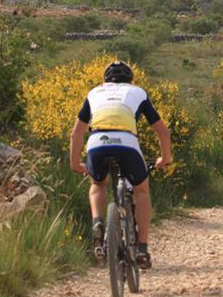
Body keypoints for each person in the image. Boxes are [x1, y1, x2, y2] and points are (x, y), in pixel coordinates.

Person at [69, 61, 173, 269]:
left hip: (97, 141)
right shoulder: (137, 92)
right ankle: (142, 248)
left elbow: (77, 133)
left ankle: (98, 223)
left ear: (105, 80)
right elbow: (162, 131)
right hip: (127, 143)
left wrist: (74, 163)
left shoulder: (94, 93)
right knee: (141, 190)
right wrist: (165, 158)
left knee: (98, 185)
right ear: (130, 79)